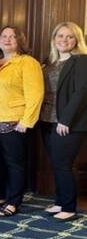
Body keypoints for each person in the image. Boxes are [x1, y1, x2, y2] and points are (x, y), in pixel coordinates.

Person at [0, 25, 44, 216]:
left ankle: (14, 201)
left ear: (19, 41)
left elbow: (35, 94)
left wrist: (26, 121)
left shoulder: (28, 63)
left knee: (14, 163)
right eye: (4, 36)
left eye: (12, 37)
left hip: (13, 121)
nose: (7, 39)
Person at [40, 22, 87, 222]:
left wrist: (65, 120)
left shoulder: (82, 61)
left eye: (69, 37)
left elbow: (81, 93)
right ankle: (60, 202)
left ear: (77, 40)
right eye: (60, 36)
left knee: (63, 164)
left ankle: (69, 207)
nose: (64, 40)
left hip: (68, 123)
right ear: (54, 39)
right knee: (57, 163)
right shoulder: (49, 62)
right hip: (47, 120)